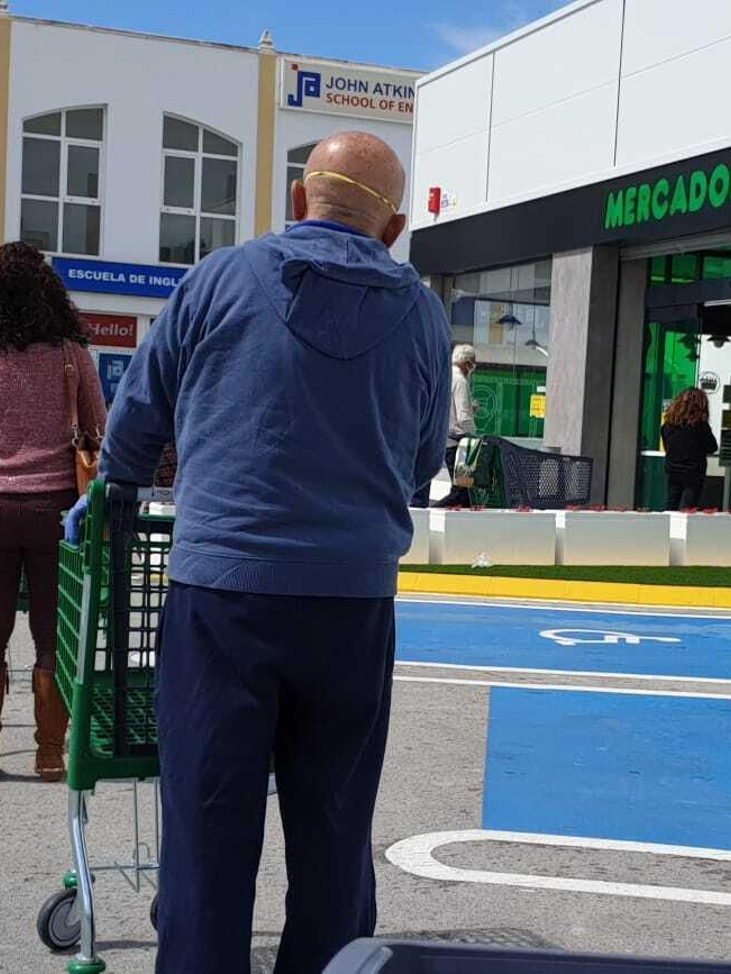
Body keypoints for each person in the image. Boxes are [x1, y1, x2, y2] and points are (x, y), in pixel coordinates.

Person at [72, 130, 449, 973]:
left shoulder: (216, 280)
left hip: (221, 598)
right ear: (390, 231)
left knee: (208, 826)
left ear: (295, 200)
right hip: (352, 603)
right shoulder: (421, 313)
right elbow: (424, 459)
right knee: (334, 829)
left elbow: (137, 418)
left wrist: (115, 494)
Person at [0, 241, 107, 784]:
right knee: (50, 633)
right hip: (54, 511)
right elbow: (98, 426)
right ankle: (49, 752)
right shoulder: (70, 352)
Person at [430, 343, 478, 508]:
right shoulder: (460, 381)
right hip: (462, 445)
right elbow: (463, 417)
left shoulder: (444, 376)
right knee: (461, 491)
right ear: (468, 363)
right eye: (474, 363)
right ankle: (431, 512)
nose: (473, 367)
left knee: (462, 492)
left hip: (445, 439)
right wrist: (476, 437)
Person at [660, 386, 719, 510]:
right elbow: (712, 446)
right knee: (687, 508)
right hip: (693, 473)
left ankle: (667, 528)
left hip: (673, 471)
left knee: (671, 504)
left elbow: (667, 447)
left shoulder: (668, 426)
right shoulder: (699, 426)